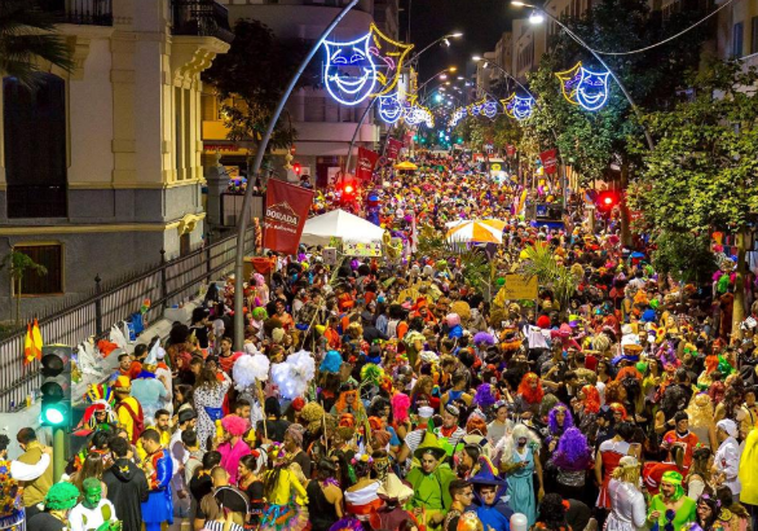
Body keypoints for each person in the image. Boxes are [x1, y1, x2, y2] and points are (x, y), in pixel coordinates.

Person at [406, 428, 457, 529]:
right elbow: (407, 499)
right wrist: (411, 509)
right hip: (418, 520)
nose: (426, 464)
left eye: (430, 461)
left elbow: (452, 501)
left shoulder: (445, 476)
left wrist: (442, 514)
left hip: (436, 521)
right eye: (424, 461)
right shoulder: (414, 474)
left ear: (437, 461)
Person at [0, 433, 51, 530]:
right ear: (3, 451)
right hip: (10, 521)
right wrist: (46, 455)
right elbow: (37, 470)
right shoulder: (11, 466)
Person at [501, 423, 543, 527]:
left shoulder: (532, 447)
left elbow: (538, 466)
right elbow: (503, 468)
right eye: (520, 439)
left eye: (524, 439)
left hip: (527, 485)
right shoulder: (509, 448)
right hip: (513, 485)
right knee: (514, 513)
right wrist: (516, 465)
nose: (522, 442)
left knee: (527, 512)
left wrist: (542, 486)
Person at [103, 436, 149, 531]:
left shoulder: (105, 475)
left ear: (113, 454)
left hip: (113, 524)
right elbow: (144, 497)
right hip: (134, 521)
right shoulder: (139, 473)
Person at [16, 427, 54, 520]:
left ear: (22, 445)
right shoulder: (54, 451)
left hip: (34, 507)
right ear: (36, 437)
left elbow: (20, 486)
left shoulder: (22, 459)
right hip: (55, 503)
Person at [140, 429, 173, 531]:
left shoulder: (162, 457)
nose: (142, 447)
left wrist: (150, 474)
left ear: (150, 441)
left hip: (156, 498)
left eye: (143, 443)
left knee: (153, 527)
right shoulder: (151, 455)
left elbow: (162, 482)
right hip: (149, 496)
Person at [193, 365, 232, 450]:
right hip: (218, 417)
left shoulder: (198, 390)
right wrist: (222, 372)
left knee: (201, 444)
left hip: (204, 417)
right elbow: (229, 381)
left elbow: (197, 406)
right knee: (218, 442)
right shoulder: (221, 386)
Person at [605, 456, 646, 531]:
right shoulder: (636, 496)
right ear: (635, 470)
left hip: (612, 524)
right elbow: (640, 523)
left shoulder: (612, 482)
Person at [470, 467, 512, 531]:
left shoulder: (504, 509)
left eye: (492, 491)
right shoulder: (471, 511)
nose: (489, 496)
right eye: (485, 493)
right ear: (478, 493)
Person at [216, 415, 252, 484]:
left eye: (225, 431)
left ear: (232, 431)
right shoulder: (222, 445)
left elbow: (245, 470)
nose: (223, 433)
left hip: (235, 486)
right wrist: (215, 446)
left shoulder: (244, 449)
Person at [714, 419, 742, 502]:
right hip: (726, 489)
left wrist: (720, 474)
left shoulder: (730, 447)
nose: (715, 432)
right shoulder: (727, 444)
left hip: (730, 490)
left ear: (722, 431)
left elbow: (733, 469)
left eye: (717, 429)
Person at [113, 377, 144, 444]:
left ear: (116, 391)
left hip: (129, 441)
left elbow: (122, 428)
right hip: (138, 438)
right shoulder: (134, 400)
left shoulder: (122, 408)